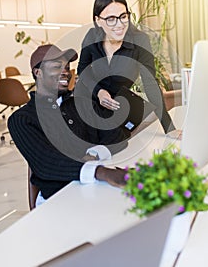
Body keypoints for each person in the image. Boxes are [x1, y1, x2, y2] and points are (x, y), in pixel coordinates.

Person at [8, 44, 126, 207]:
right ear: (38, 72)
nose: (65, 71)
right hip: (58, 199)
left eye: (67, 67)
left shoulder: (83, 103)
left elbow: (116, 135)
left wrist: (94, 153)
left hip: (96, 186)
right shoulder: (22, 119)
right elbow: (47, 164)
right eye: (57, 66)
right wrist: (102, 172)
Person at [77, 0, 181, 138]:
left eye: (123, 16)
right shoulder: (91, 37)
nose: (119, 24)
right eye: (111, 19)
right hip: (89, 102)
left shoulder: (140, 40)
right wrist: (99, 91)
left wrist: (169, 128)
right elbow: (83, 70)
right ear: (98, 20)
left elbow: (150, 83)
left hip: (118, 107)